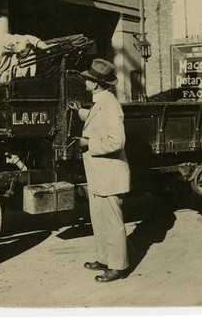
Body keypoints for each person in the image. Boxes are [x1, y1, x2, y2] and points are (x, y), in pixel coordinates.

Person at [68, 58, 131, 283]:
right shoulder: (100, 101)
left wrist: (88, 144)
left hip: (110, 175)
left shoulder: (111, 105)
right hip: (99, 175)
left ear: (95, 84)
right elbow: (96, 116)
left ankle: (117, 266)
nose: (85, 81)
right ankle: (104, 259)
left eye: (88, 79)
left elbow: (116, 142)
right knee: (100, 218)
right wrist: (80, 111)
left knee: (112, 222)